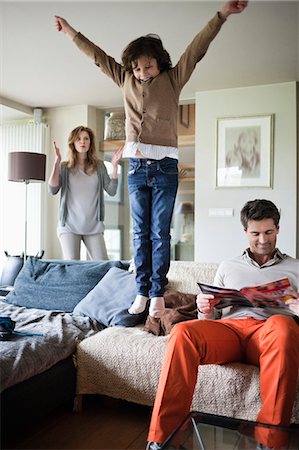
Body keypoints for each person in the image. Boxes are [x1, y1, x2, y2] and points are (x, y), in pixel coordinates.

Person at [54, 1, 248, 317]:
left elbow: (197, 48)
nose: (142, 73)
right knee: (139, 232)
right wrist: (70, 32)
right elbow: (98, 56)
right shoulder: (126, 80)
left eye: (148, 66)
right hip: (138, 169)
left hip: (166, 169)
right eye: (137, 68)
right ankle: (141, 291)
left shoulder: (174, 79)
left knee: (160, 232)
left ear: (159, 63)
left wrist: (221, 15)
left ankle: (157, 292)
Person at [147, 199, 299, 450]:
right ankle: (162, 439)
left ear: (278, 229)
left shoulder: (295, 268)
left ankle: (269, 442)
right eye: (256, 233)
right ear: (245, 232)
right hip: (230, 331)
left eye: (269, 232)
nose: (263, 240)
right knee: (183, 331)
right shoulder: (228, 266)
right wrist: (204, 308)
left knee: (283, 326)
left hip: (269, 333)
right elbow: (209, 320)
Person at [48, 125, 122, 260]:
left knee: (103, 266)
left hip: (93, 226)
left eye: (86, 138)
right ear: (73, 143)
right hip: (69, 226)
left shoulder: (99, 166)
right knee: (72, 266)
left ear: (90, 142)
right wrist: (56, 163)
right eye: (78, 139)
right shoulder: (65, 167)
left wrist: (115, 166)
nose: (82, 142)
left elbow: (111, 191)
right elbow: (53, 189)